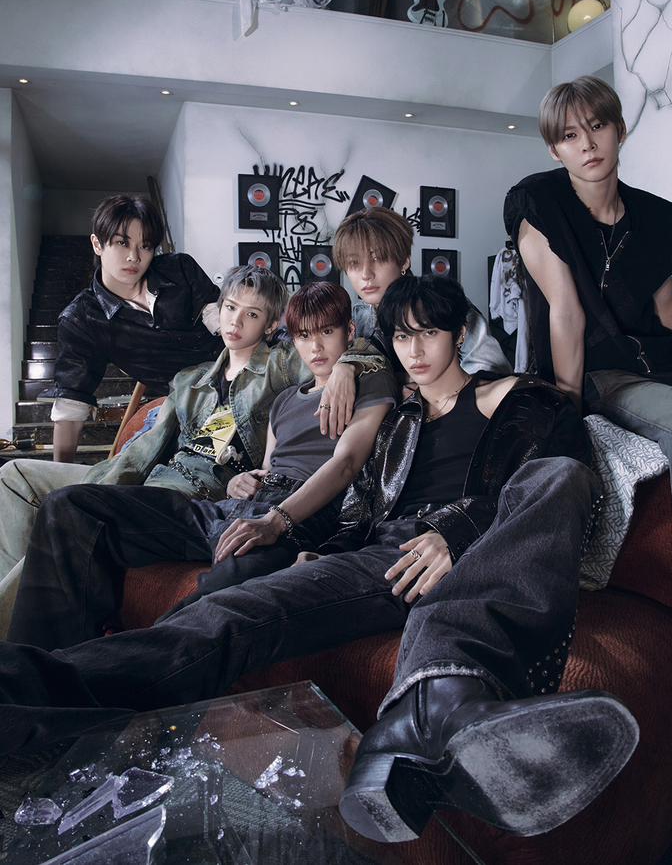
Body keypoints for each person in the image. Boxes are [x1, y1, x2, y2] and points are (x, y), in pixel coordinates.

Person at [0, 275, 637, 844]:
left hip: (457, 555)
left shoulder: (521, 398)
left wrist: (457, 532)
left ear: (460, 333)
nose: (415, 351)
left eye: (430, 334)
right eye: (402, 337)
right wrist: (319, 552)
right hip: (379, 560)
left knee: (562, 476)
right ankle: (22, 696)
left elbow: (555, 481)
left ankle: (441, 708)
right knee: (226, 616)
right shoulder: (399, 420)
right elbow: (362, 507)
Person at [8, 280, 398, 647]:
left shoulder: (369, 380)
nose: (316, 347)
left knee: (198, 614)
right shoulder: (281, 400)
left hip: (296, 518)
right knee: (70, 506)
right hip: (233, 507)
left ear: (348, 331)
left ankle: (84, 674)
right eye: (304, 336)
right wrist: (237, 481)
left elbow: (347, 463)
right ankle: (28, 671)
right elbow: (266, 469)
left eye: (327, 332)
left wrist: (276, 520)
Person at [504, 75, 672, 579]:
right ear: (554, 150)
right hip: (604, 373)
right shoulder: (539, 204)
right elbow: (567, 313)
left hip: (663, 361)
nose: (587, 144)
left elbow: (667, 312)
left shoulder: (656, 216)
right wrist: (569, 414)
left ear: (620, 130)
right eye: (570, 135)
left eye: (597, 127)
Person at [44, 194, 223, 463]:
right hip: (188, 404)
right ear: (97, 244)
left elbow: (226, 325)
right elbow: (70, 408)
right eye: (121, 242)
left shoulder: (180, 268)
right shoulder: (81, 319)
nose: (134, 257)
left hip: (239, 375)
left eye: (145, 246)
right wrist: (59, 475)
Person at [332, 205, 511, 375]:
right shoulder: (358, 317)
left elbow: (491, 373)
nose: (366, 274)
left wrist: (417, 388)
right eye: (354, 263)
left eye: (378, 258)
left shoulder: (445, 305)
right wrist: (345, 367)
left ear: (404, 261)